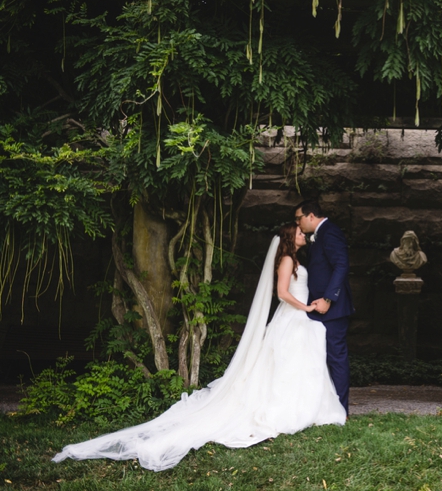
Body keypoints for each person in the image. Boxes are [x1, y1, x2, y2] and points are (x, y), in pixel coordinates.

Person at [52, 223, 345, 472]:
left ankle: (303, 407)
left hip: (299, 320)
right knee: (285, 366)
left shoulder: (294, 260)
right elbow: (282, 293)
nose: (303, 235)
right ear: (288, 238)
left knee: (296, 366)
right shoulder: (285, 262)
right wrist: (306, 306)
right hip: (292, 317)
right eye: (298, 233)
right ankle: (286, 410)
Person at [294, 200, 354, 414]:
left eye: (298, 218)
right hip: (318, 307)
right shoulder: (319, 236)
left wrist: (328, 299)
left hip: (333, 309)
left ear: (310, 215)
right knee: (319, 356)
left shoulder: (330, 232)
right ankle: (323, 407)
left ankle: (340, 410)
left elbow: (341, 264)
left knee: (336, 357)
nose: (297, 223)